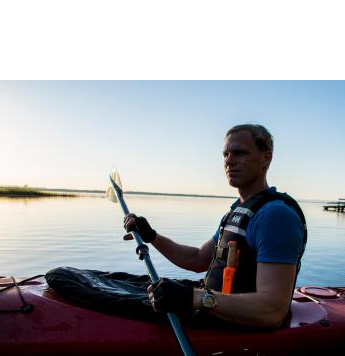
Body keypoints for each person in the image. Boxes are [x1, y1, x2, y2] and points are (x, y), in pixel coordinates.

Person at [124, 124, 307, 328]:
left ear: (266, 158)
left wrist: (193, 298)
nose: (229, 160)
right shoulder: (239, 210)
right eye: (225, 154)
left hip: (236, 327)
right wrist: (151, 236)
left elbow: (272, 311)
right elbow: (197, 259)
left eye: (239, 153)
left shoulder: (276, 216)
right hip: (213, 309)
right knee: (116, 283)